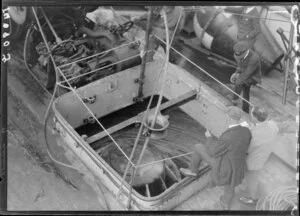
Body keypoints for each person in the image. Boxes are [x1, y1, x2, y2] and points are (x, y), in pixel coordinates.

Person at [180, 106, 252, 210]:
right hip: (238, 165)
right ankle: (225, 203)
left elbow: (213, 152)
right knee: (230, 183)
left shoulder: (228, 136)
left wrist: (209, 137)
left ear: (229, 118)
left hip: (224, 167)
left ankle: (193, 171)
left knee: (198, 147)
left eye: (226, 116)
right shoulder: (246, 131)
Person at [239, 107, 279, 205]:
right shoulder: (272, 124)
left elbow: (247, 149)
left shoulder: (253, 134)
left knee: (252, 179)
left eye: (252, 114)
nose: (250, 115)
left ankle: (253, 198)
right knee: (254, 175)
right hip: (265, 154)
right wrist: (255, 127)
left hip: (254, 162)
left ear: (255, 118)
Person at [230, 41, 262, 113]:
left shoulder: (254, 58)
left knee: (239, 83)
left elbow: (247, 73)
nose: (237, 57)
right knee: (245, 88)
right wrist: (236, 73)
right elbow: (240, 65)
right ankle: (245, 109)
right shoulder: (238, 54)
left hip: (254, 77)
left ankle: (234, 100)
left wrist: (238, 77)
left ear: (245, 52)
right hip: (245, 73)